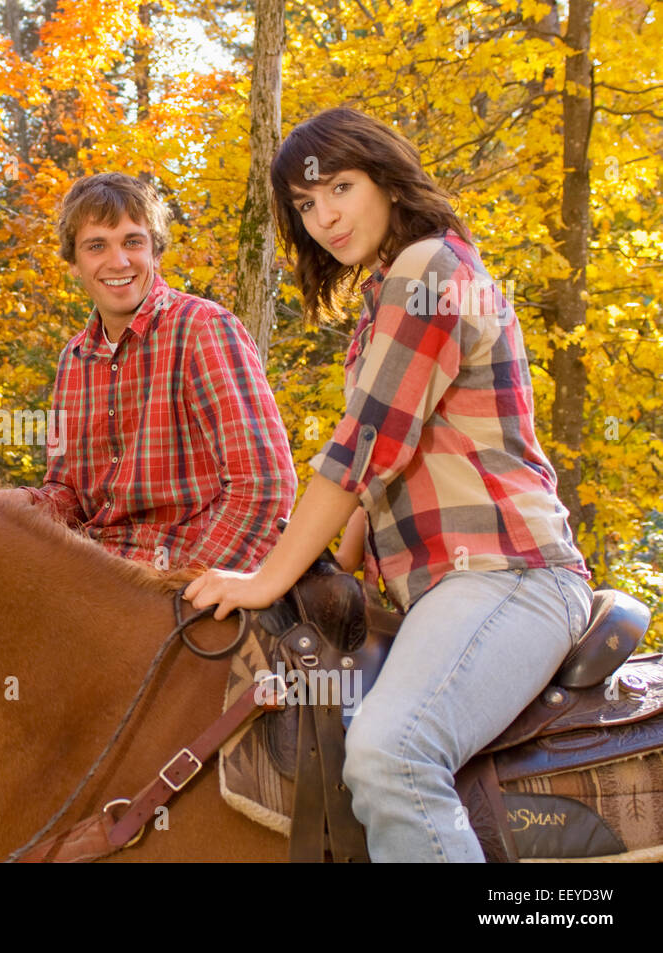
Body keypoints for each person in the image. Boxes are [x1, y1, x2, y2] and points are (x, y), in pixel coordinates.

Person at [184, 107, 594, 861]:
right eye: (306, 206)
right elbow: (385, 474)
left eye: (340, 187)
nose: (325, 217)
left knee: (389, 755)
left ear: (388, 178)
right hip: (442, 589)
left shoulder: (432, 267)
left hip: (510, 574)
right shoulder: (381, 304)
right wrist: (330, 571)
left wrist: (264, 579)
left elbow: (361, 447)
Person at [0, 172, 296, 572]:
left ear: (156, 252)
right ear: (74, 263)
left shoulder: (202, 329)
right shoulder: (73, 358)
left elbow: (263, 485)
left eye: (133, 242)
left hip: (178, 584)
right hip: (96, 578)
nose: (118, 261)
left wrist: (189, 588)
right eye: (96, 246)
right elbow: (67, 493)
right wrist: (12, 503)